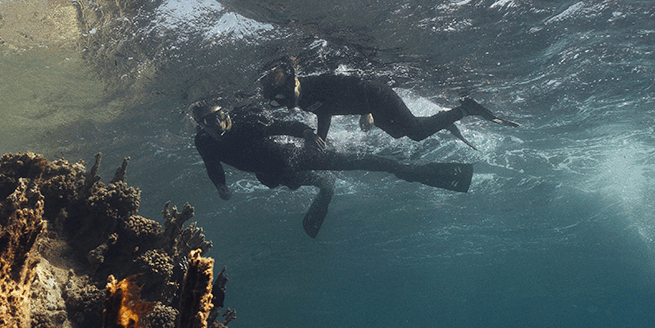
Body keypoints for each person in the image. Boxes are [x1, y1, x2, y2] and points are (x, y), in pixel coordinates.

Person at [191, 98, 473, 238]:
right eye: (208, 121)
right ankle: (326, 187)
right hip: (270, 174)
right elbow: (211, 164)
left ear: (225, 112)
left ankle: (411, 171)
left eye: (219, 116)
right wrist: (220, 185)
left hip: (294, 157)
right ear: (201, 126)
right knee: (302, 183)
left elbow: (282, 125)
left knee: (363, 162)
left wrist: (306, 133)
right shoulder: (204, 142)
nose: (216, 123)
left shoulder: (247, 124)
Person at [260, 58, 519, 150]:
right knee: (398, 132)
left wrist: (367, 110)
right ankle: (446, 118)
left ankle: (465, 110)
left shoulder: (317, 83)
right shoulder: (304, 97)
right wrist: (320, 138)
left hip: (376, 96)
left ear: (292, 85)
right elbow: (324, 111)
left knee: (416, 133)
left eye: (284, 100)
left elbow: (356, 84)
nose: (286, 106)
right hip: (369, 103)